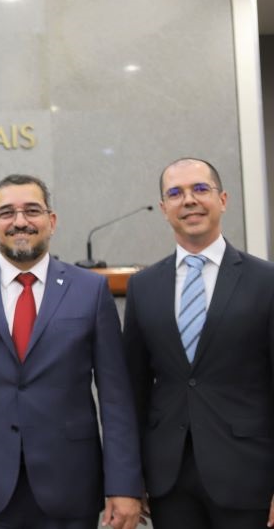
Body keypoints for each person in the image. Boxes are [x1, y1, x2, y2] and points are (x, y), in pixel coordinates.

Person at [0, 174, 142, 529]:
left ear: (51, 221)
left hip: (71, 486)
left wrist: (124, 485)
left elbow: (116, 398)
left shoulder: (91, 290)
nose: (20, 221)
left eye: (32, 210)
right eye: (7, 212)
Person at [123, 158, 274, 529]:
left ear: (222, 199)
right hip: (169, 481)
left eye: (200, 189)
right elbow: (133, 390)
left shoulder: (265, 281)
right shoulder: (143, 288)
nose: (188, 200)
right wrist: (130, 476)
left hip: (248, 475)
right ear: (163, 209)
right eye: (175, 193)